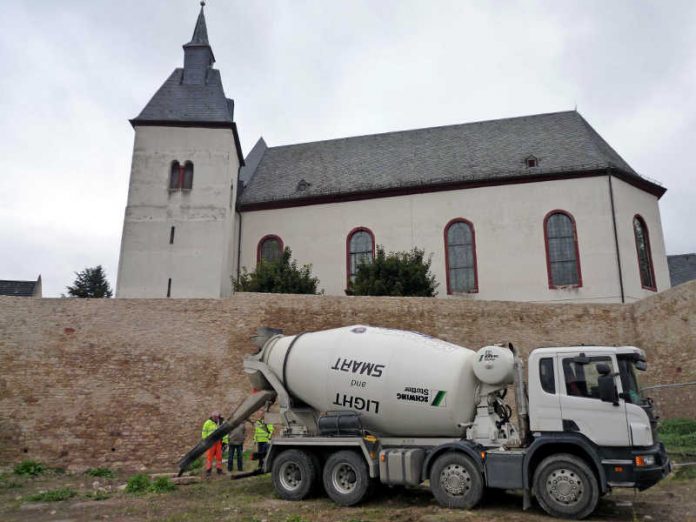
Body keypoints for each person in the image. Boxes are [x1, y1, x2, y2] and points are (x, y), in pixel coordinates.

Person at [201, 411, 224, 476]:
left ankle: (219, 470)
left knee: (219, 456)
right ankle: (208, 471)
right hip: (210, 442)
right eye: (215, 417)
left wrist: (224, 441)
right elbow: (204, 432)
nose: (216, 418)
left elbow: (223, 430)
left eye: (217, 417)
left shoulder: (220, 422)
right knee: (209, 457)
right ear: (212, 416)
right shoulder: (207, 423)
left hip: (218, 441)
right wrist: (205, 441)